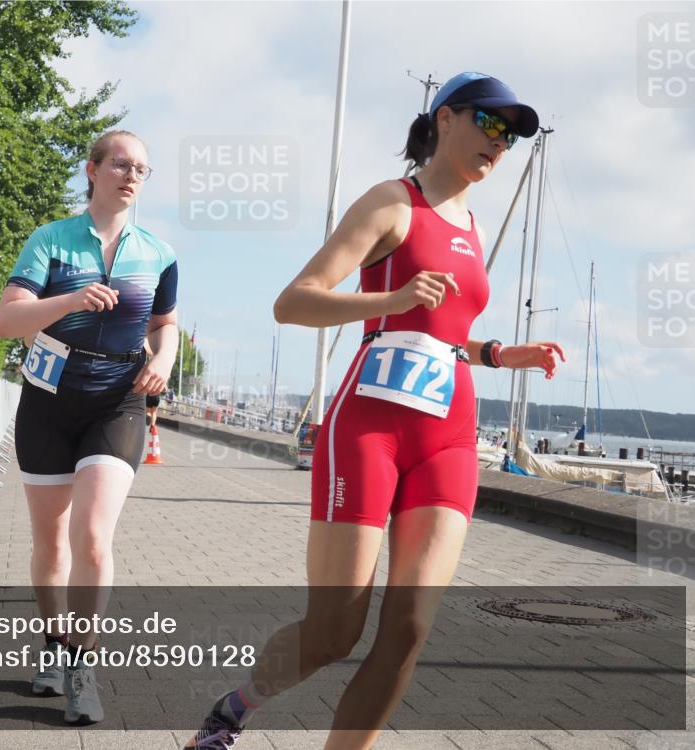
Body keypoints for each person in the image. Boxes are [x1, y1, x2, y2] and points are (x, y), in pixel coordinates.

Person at [185, 72, 565, 749]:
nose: (500, 143)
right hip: (369, 427)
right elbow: (294, 302)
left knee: (410, 628)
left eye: (511, 135)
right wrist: (389, 302)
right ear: (446, 119)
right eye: (490, 123)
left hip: (448, 433)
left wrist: (501, 353)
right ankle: (235, 708)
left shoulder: (474, 228)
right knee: (334, 632)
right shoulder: (393, 203)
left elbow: (442, 330)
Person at [0, 129, 179, 724]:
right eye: (121, 164)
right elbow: (7, 320)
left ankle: (81, 663)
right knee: (51, 542)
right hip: (48, 399)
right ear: (93, 169)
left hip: (116, 402)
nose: (131, 176)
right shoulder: (52, 240)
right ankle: (52, 646)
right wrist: (69, 302)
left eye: (142, 170)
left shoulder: (159, 253)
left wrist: (163, 361)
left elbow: (165, 324)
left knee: (93, 537)